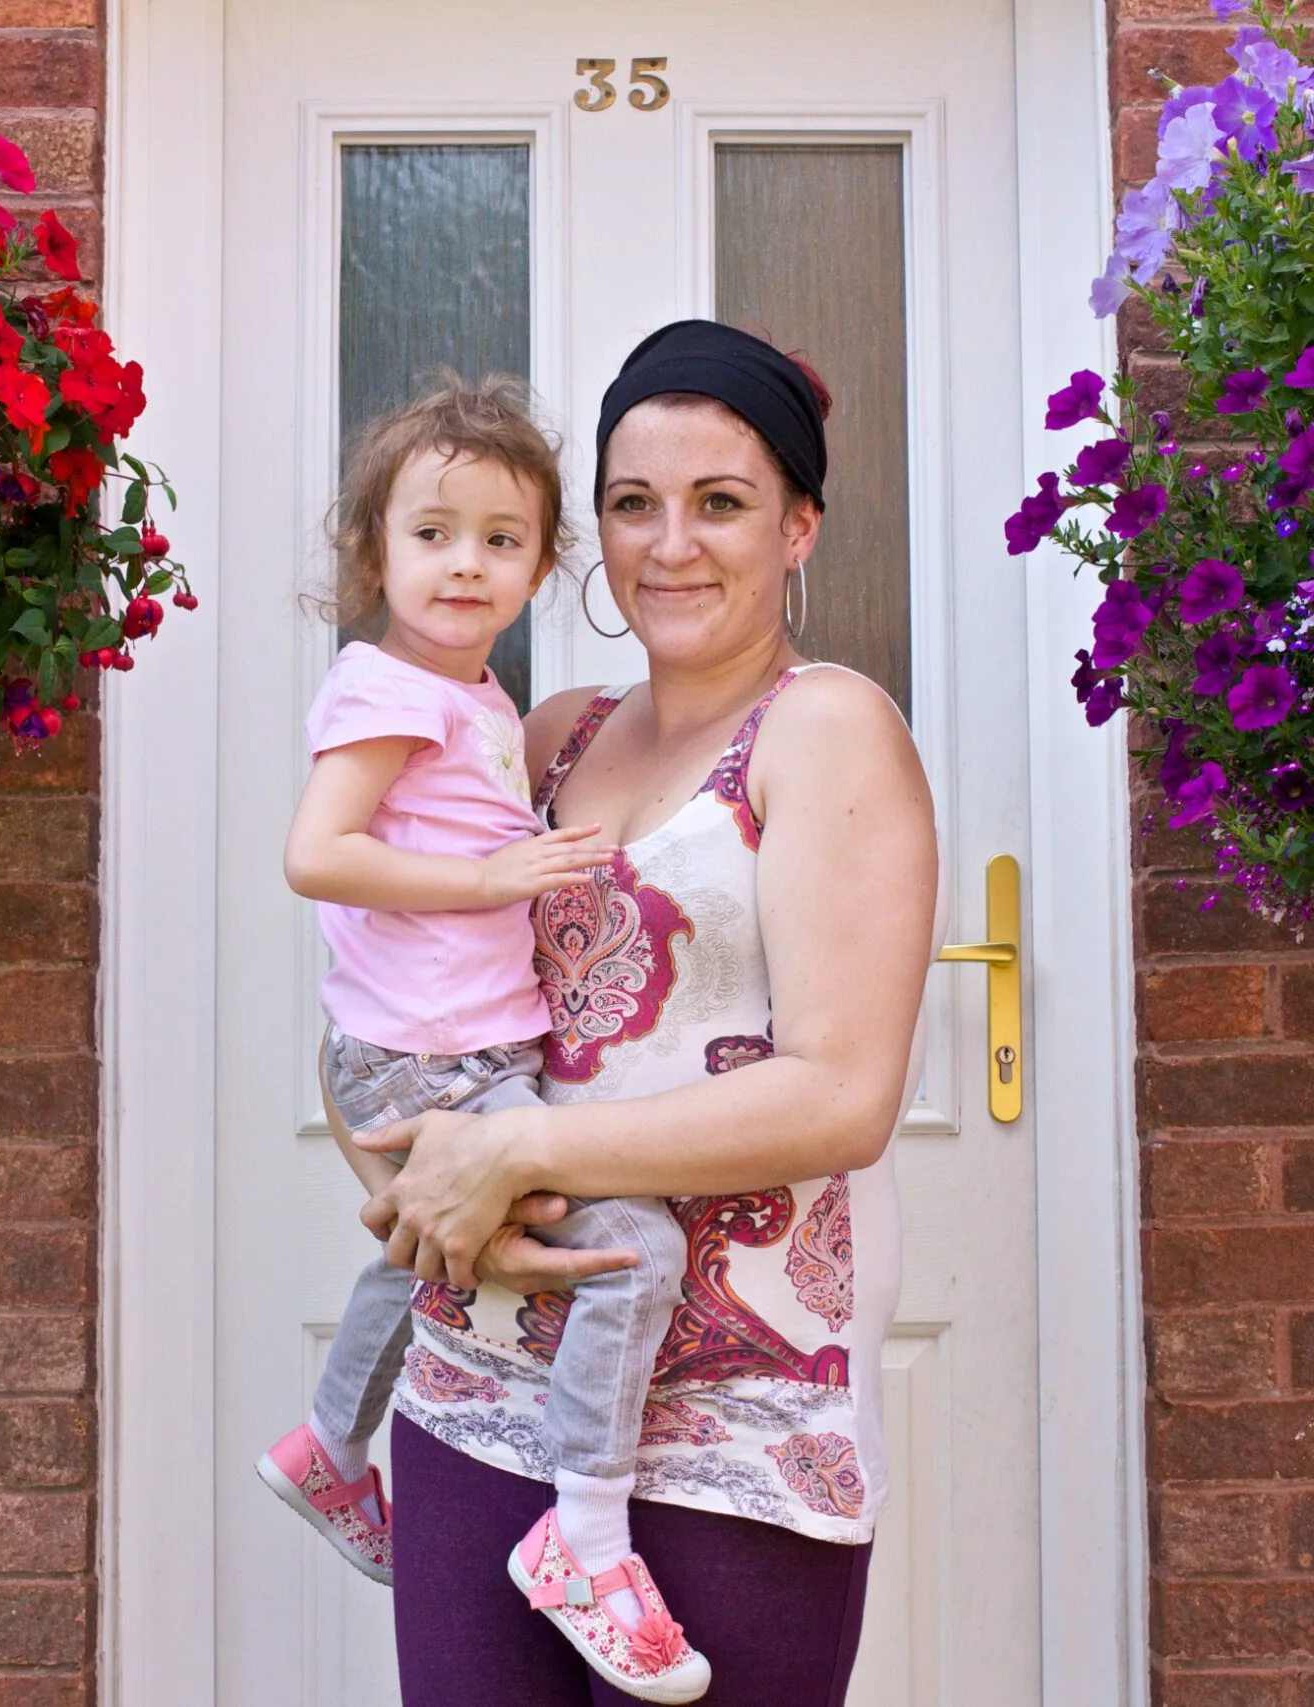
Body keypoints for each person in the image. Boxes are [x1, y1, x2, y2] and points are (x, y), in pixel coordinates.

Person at [355, 321, 940, 1707]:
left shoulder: (828, 730)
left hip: (734, 1410)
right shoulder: (548, 732)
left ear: (799, 524)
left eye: (721, 502)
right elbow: (400, 986)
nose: (670, 543)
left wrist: (516, 1156)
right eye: (633, 503)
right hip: (486, 1375)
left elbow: (841, 1095)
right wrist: (402, 1167)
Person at [255, 376, 714, 1702]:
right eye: (433, 532)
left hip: (447, 1053)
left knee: (427, 1255)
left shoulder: (474, 698)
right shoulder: (391, 690)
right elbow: (316, 854)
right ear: (374, 549)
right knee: (639, 1253)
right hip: (434, 1059)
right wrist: (502, 879)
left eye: (502, 538)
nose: (467, 562)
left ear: (541, 562)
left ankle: (331, 1444)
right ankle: (584, 1536)